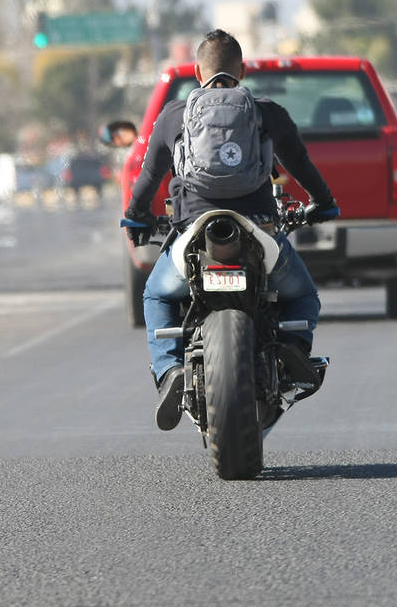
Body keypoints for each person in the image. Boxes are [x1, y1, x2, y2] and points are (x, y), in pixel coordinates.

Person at [123, 29, 339, 430]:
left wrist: (136, 217)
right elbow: (302, 166)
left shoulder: (174, 114)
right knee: (303, 294)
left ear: (196, 71)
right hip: (257, 227)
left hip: (192, 229)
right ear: (242, 70)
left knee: (156, 295)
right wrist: (323, 203)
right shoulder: (266, 111)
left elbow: (148, 177)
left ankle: (170, 370)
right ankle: (293, 348)